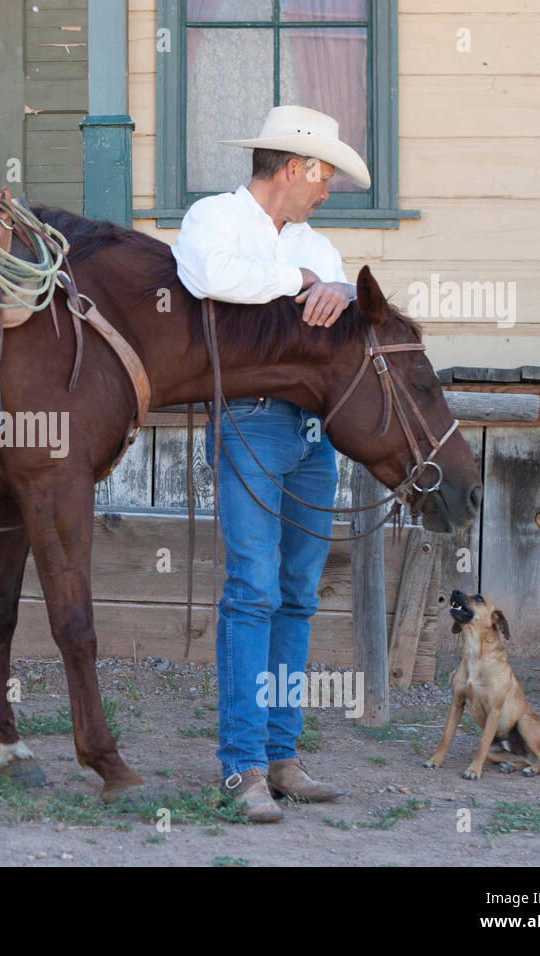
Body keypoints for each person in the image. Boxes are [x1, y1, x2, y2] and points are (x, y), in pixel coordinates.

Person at [172, 106, 371, 823]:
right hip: (251, 417)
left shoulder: (319, 243)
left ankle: (280, 758)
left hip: (312, 429)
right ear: (294, 169)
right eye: (325, 177)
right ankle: (243, 767)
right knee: (253, 590)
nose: (330, 191)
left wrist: (342, 292)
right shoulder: (213, 219)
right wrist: (303, 284)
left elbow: (343, 315)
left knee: (296, 595)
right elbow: (208, 277)